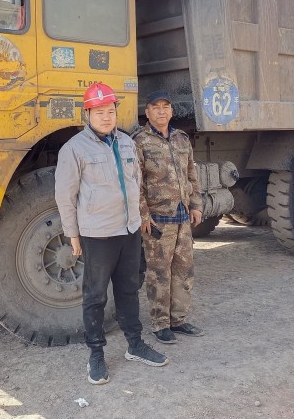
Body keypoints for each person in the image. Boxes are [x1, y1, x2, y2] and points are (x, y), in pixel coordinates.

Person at [55, 82, 168, 385]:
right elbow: (65, 196)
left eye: (110, 111)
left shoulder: (127, 143)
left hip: (128, 230)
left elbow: (135, 184)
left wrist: (139, 219)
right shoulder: (74, 149)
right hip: (97, 234)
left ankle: (135, 344)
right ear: (87, 114)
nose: (106, 117)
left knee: (128, 289)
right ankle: (96, 354)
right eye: (99, 112)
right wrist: (73, 235)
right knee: (95, 296)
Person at [133, 90, 205, 345]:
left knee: (184, 269)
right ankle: (160, 324)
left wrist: (196, 205)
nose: (162, 111)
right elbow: (135, 182)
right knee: (159, 273)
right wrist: (143, 214)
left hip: (182, 216)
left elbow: (191, 174)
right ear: (147, 112)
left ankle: (179, 320)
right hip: (157, 220)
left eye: (166, 106)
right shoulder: (139, 141)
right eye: (156, 107)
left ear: (172, 111)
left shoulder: (181, 139)